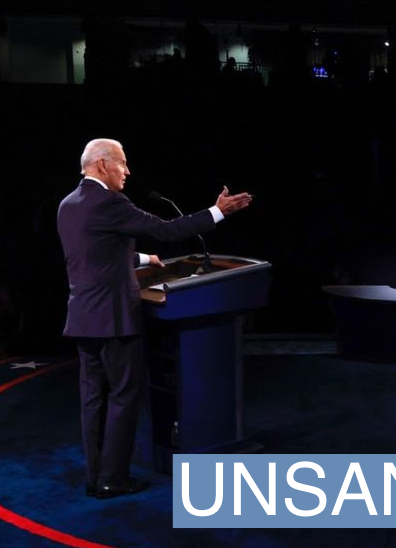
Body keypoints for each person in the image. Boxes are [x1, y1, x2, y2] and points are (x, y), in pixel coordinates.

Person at [57, 138, 253, 499]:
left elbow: (96, 257)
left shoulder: (69, 205)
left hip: (83, 319)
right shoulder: (111, 202)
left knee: (92, 400)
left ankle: (95, 474)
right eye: (123, 163)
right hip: (114, 320)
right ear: (102, 165)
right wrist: (218, 211)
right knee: (122, 396)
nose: (127, 171)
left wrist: (146, 260)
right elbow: (167, 229)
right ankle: (112, 480)